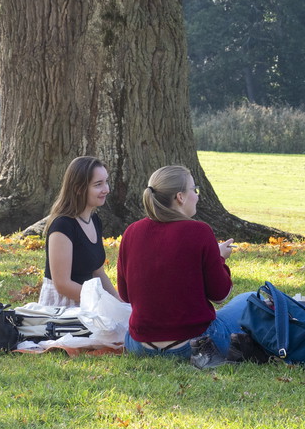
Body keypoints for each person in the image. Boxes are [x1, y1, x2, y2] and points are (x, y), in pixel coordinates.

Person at [116, 165, 250, 366]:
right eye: (194, 190)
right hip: (194, 344)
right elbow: (220, 295)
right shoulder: (199, 231)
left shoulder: (131, 232)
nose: (196, 196)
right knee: (249, 299)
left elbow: (125, 295)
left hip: (138, 344)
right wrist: (219, 258)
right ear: (180, 197)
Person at [40, 155, 122, 306]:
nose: (106, 189)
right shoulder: (62, 226)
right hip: (63, 309)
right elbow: (62, 285)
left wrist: (118, 301)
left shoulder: (95, 220)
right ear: (78, 188)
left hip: (89, 303)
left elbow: (98, 273)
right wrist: (102, 302)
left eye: (106, 182)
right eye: (98, 184)